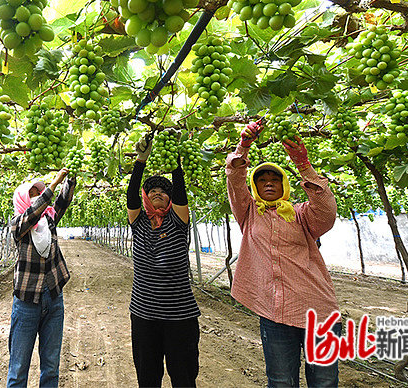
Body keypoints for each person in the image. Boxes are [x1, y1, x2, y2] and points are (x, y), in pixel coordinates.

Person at [225, 119, 340, 388]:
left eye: (274, 179)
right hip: (274, 314)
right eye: (261, 179)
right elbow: (234, 180)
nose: (268, 183)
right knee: (281, 382)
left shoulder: (301, 214)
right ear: (254, 186)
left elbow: (327, 212)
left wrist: (303, 164)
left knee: (324, 382)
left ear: (284, 184)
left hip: (318, 312)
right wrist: (243, 146)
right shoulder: (249, 214)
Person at [126, 131, 200, 388]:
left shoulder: (178, 221)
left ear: (170, 199)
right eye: (152, 190)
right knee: (148, 377)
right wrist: (140, 161)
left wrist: (176, 162)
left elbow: (181, 193)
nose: (157, 193)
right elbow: (131, 196)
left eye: (163, 191)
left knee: (184, 378)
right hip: (144, 314)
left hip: (181, 316)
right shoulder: (138, 223)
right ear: (146, 197)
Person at [7, 168, 76, 388]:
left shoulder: (49, 220)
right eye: (33, 194)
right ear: (23, 200)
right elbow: (33, 213)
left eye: (40, 192)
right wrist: (53, 183)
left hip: (54, 299)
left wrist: (70, 180)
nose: (38, 196)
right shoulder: (19, 224)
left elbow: (62, 203)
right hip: (27, 302)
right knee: (18, 369)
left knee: (51, 366)